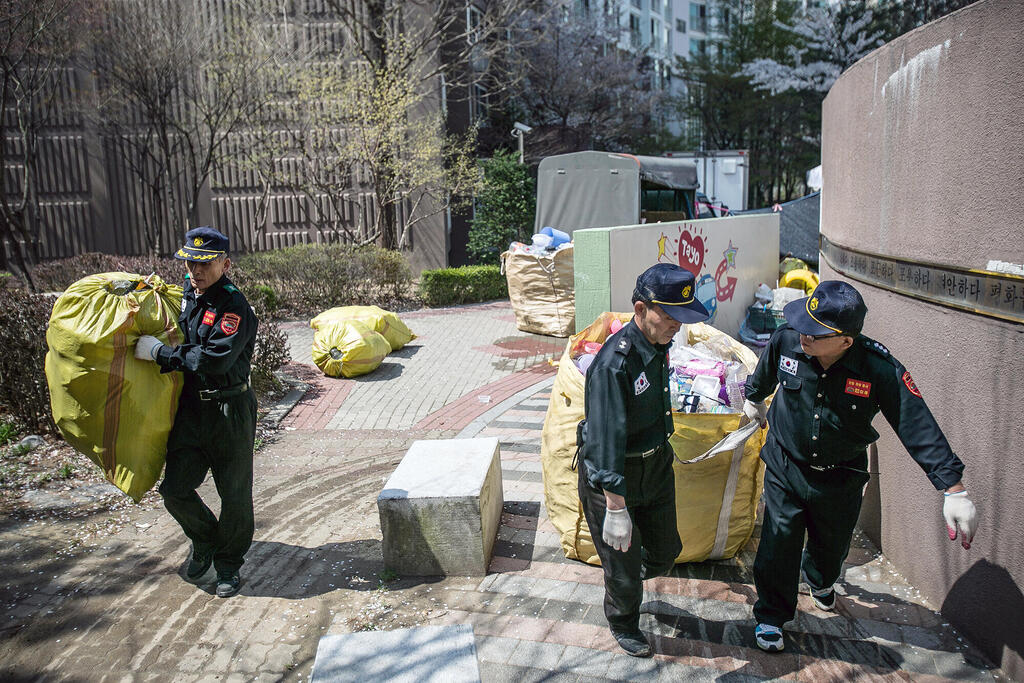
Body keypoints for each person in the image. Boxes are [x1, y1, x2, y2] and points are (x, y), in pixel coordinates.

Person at [741, 280, 978, 652]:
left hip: (840, 476)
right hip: (786, 465)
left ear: (845, 341)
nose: (804, 335)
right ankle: (771, 615)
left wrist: (953, 487)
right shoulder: (789, 338)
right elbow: (766, 368)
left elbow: (914, 421)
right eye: (804, 324)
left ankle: (820, 579)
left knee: (832, 544)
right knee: (777, 542)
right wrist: (754, 397)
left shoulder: (877, 367)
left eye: (816, 334)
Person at [576, 262, 710, 657]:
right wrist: (615, 506)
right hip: (615, 477)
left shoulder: (659, 345)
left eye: (680, 318)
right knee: (623, 569)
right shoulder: (613, 364)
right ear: (640, 309)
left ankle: (628, 577)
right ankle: (623, 619)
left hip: (655, 468)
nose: (675, 325)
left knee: (667, 550)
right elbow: (603, 441)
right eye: (668, 315)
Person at [135, 226, 259, 599]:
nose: (196, 270)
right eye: (190, 262)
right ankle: (204, 539)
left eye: (205, 263)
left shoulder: (233, 306)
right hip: (192, 412)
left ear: (225, 263)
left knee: (234, 496)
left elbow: (216, 360)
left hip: (229, 409)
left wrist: (161, 354)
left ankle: (227, 567)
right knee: (174, 489)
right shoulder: (189, 293)